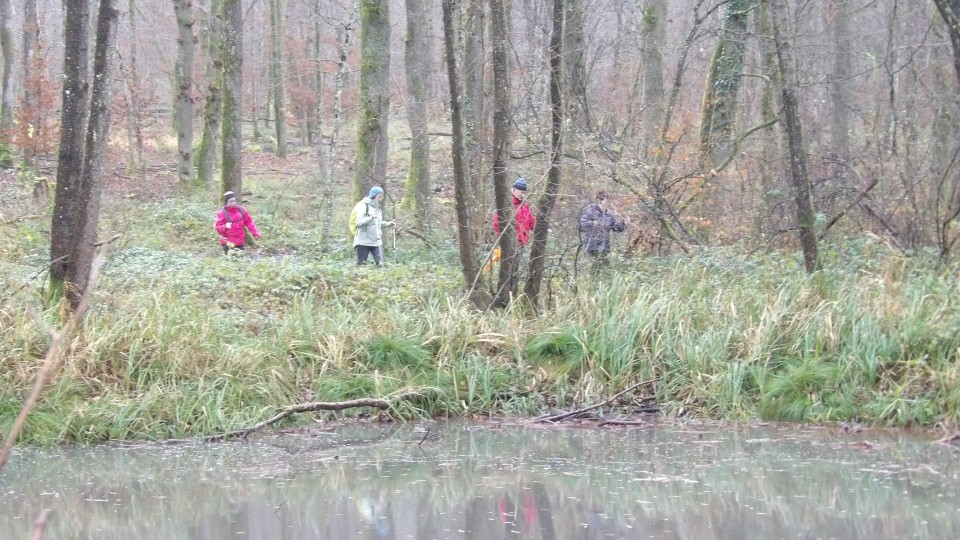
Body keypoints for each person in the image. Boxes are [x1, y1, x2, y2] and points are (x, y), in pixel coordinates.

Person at [352, 185, 394, 266]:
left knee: (381, 264)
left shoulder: (378, 208)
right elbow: (358, 223)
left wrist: (388, 224)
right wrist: (370, 218)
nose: (381, 199)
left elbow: (377, 223)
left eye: (382, 197)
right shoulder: (363, 206)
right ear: (373, 196)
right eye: (379, 197)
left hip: (376, 241)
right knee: (361, 265)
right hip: (363, 241)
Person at [579, 190, 625, 261]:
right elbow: (581, 225)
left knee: (604, 264)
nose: (604, 203)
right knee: (599, 264)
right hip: (592, 247)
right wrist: (592, 223)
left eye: (606, 201)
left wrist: (623, 223)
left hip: (604, 247)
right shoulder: (590, 211)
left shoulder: (609, 214)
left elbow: (616, 228)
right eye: (601, 200)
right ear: (598, 200)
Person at [493, 177, 537, 247]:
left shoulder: (525, 207)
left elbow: (533, 224)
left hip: (522, 245)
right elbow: (497, 226)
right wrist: (505, 243)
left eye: (524, 193)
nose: (523, 195)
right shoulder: (505, 206)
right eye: (521, 192)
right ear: (514, 190)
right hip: (509, 246)